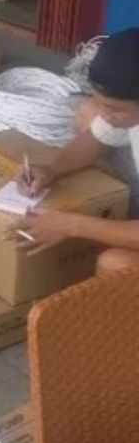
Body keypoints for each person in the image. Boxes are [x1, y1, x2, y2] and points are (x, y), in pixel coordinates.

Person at [14, 28, 139, 275]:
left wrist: (72, 225)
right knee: (88, 111)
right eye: (104, 103)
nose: (106, 114)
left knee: (116, 264)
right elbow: (94, 139)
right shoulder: (122, 111)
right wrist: (52, 169)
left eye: (115, 108)